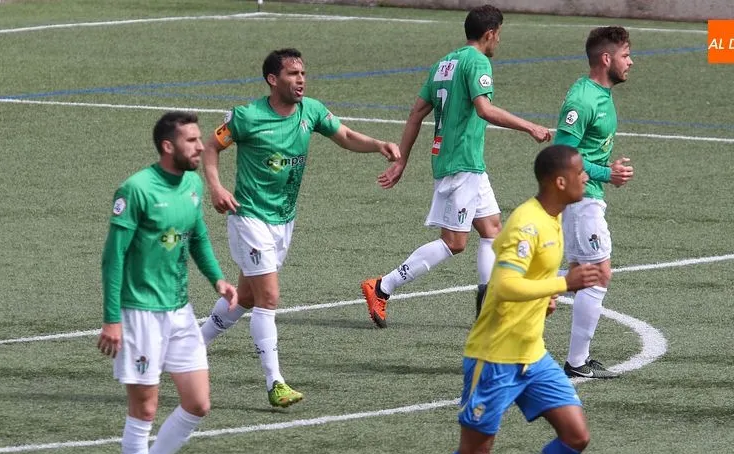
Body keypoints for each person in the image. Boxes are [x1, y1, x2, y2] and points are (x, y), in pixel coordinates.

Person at [403, 144, 603, 454]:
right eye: (580, 172)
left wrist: (545, 297)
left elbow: (527, 280)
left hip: (533, 355)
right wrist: (564, 285)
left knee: (576, 435)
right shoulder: (527, 223)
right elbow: (506, 285)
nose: (587, 177)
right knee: (475, 453)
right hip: (495, 358)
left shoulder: (554, 218)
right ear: (560, 181)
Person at [198, 48, 400, 407]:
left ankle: (190, 348)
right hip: (249, 218)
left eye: (303, 73)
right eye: (292, 74)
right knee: (268, 297)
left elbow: (345, 135)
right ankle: (275, 383)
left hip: (283, 220)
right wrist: (215, 187)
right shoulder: (246, 117)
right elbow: (210, 147)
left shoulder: (312, 111)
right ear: (272, 80)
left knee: (246, 297)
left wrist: (377, 145)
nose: (301, 79)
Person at [361, 4, 552, 328]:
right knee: (454, 242)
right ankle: (382, 287)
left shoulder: (444, 64)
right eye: (499, 35)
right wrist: (530, 127)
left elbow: (415, 113)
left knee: (492, 230)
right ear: (489, 34)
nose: (499, 41)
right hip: (461, 163)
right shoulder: (477, 61)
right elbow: (485, 109)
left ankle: (489, 307)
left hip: (466, 164)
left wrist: (403, 159)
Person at [98, 111, 237, 454]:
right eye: (191, 140)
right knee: (145, 409)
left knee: (198, 403)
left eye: (199, 139)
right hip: (140, 314)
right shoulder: (136, 190)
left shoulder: (193, 185)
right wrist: (112, 320)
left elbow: (197, 237)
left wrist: (217, 279)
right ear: (167, 146)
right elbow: (113, 257)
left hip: (179, 311)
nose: (200, 146)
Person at [555, 26, 634, 379]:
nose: (630, 62)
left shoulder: (601, 94)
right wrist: (606, 173)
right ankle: (576, 362)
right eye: (625, 55)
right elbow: (562, 153)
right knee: (599, 273)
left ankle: (577, 360)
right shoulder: (583, 99)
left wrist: (607, 170)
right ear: (606, 59)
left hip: (587, 197)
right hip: (580, 199)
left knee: (583, 275)